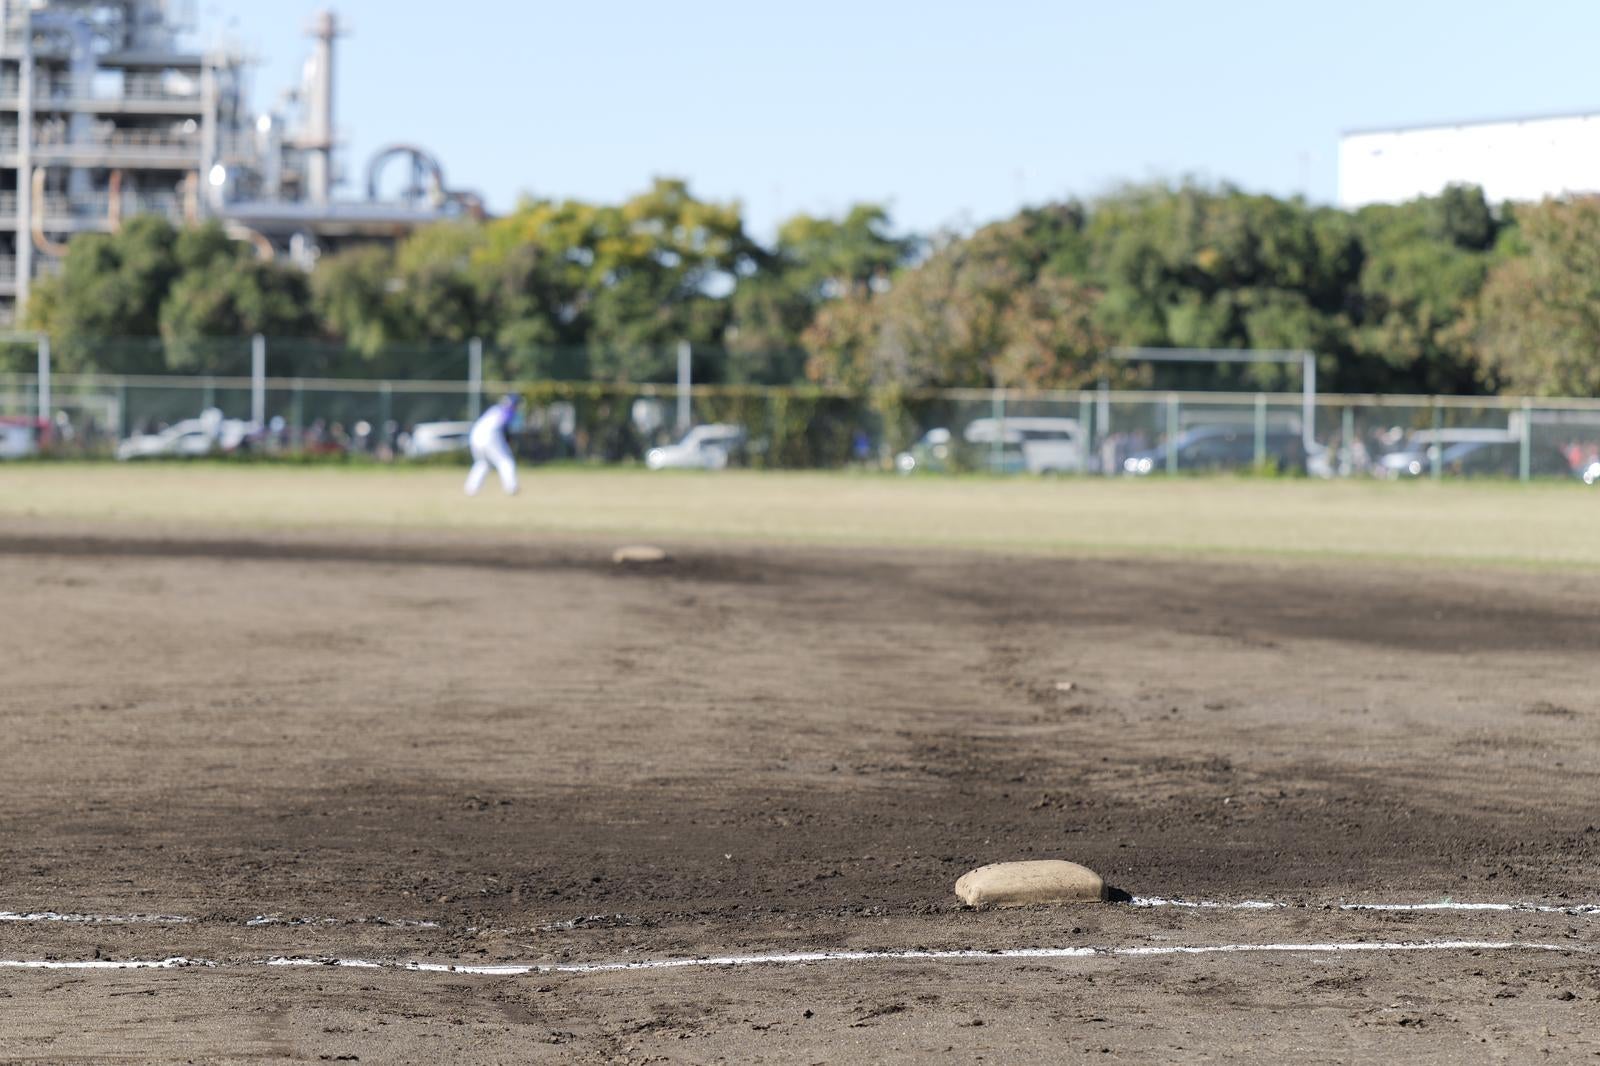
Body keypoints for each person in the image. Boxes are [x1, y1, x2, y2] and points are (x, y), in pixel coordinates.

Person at [464, 395, 523, 497]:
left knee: (483, 463)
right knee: (505, 461)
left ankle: (471, 488)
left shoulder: (494, 409)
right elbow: (505, 426)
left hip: (476, 435)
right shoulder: (508, 411)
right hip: (490, 435)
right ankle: (511, 487)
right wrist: (509, 440)